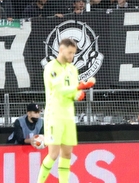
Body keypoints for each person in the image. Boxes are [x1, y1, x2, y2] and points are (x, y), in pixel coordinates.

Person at [38, 36, 95, 183]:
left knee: (67, 154)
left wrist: (79, 94)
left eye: (74, 53)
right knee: (53, 154)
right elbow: (60, 89)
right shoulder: (51, 67)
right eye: (69, 53)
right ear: (61, 49)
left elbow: (71, 92)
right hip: (54, 116)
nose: (72, 56)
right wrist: (80, 87)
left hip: (69, 117)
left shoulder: (73, 69)